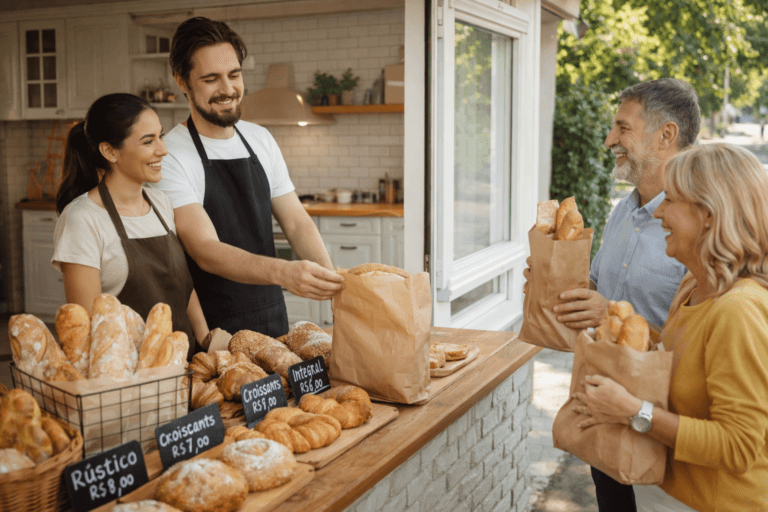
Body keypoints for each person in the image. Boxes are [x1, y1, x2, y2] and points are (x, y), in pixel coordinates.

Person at [528, 78, 701, 511]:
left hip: (662, 433)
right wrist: (556, 279)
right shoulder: (622, 212)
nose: (609, 140)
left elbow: (704, 342)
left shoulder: (699, 224)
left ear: (666, 135)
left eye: (622, 128)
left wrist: (612, 312)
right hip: (602, 416)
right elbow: (595, 291)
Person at [573, 143, 768, 511]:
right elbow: (685, 355)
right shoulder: (694, 286)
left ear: (709, 214)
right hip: (665, 496)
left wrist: (633, 410)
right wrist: (609, 319)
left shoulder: (738, 311)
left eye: (671, 199)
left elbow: (739, 446)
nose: (659, 211)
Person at [153, 17, 343, 338]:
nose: (228, 90)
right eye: (211, 78)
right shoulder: (170, 154)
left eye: (235, 75)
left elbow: (296, 221)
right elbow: (204, 249)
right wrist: (284, 272)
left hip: (271, 316)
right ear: (182, 81)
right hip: (212, 330)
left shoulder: (260, 139)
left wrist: (333, 284)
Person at [52, 93, 209, 356]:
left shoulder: (161, 204)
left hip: (185, 367)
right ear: (109, 151)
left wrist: (205, 338)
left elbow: (182, 286)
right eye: (148, 141)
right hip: (125, 381)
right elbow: (88, 331)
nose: (163, 149)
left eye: (160, 136)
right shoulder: (83, 219)